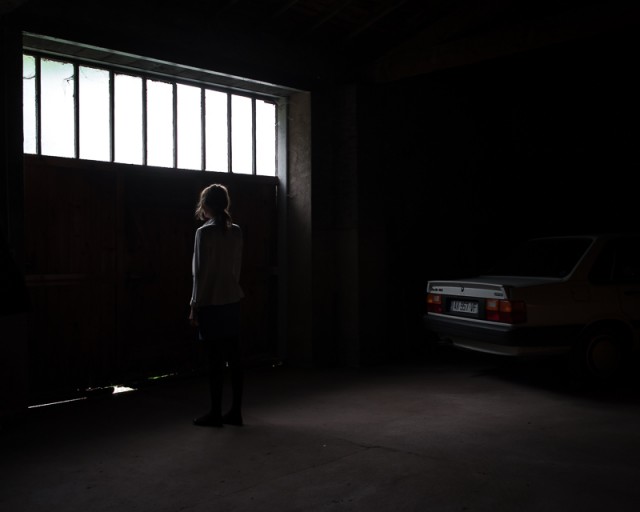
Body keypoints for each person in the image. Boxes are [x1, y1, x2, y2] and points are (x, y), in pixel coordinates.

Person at [189, 183, 245, 427]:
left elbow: (199, 273)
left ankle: (215, 412)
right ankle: (236, 411)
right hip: (232, 300)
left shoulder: (204, 232)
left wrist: (194, 305)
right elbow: (236, 269)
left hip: (211, 302)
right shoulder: (236, 231)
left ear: (206, 204)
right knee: (235, 359)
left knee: (214, 361)